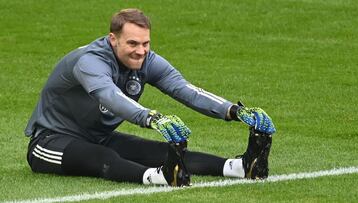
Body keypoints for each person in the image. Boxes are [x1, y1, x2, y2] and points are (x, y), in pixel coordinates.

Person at [25, 8, 276, 186]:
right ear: (113, 39)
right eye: (133, 43)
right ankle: (157, 177)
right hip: (51, 143)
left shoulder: (148, 60)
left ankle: (239, 168)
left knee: (159, 150)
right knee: (104, 160)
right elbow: (109, 96)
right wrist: (150, 117)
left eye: (146, 43)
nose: (141, 51)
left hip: (97, 137)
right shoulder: (89, 62)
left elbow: (185, 89)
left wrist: (233, 110)